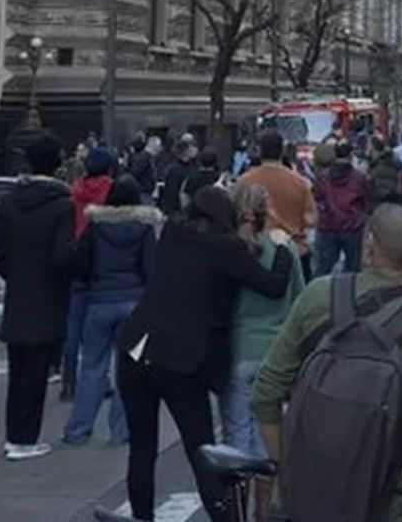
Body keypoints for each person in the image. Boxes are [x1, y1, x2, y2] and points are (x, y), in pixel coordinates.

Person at [252, 198, 402, 522]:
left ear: (369, 243)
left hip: (297, 503)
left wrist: (287, 468)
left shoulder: (320, 294)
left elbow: (265, 393)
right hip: (378, 506)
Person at [115, 186, 295, 522]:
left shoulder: (172, 231)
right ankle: (223, 517)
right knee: (202, 450)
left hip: (136, 346)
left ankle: (141, 515)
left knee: (141, 448)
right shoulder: (224, 249)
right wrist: (283, 249)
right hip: (183, 358)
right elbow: (273, 286)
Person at [0, 134, 75, 460]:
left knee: (19, 371)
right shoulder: (62, 205)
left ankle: (15, 435)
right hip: (49, 295)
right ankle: (27, 439)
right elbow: (63, 256)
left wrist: (17, 274)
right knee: (37, 373)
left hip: (19, 295)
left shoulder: (10, 201)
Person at [221, 181, 304, 522]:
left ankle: (236, 509)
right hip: (277, 352)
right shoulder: (283, 249)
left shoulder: (226, 250)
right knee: (270, 434)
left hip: (238, 348)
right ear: (266, 210)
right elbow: (300, 300)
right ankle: (264, 509)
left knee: (236, 436)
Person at [61, 175, 160, 447]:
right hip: (134, 304)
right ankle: (122, 430)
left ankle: (78, 429)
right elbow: (151, 270)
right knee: (129, 370)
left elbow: (81, 264)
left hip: (99, 302)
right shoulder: (144, 228)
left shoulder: (94, 228)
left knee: (92, 366)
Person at [62, 144, 116, 398]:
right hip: (101, 259)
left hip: (75, 256)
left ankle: (68, 379)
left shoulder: (76, 190)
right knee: (99, 330)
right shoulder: (110, 189)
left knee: (73, 323)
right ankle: (100, 379)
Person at [239, 131, 316, 275]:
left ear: (259, 150)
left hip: (256, 252)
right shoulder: (300, 183)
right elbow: (311, 220)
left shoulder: (245, 182)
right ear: (282, 151)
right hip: (294, 250)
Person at [313, 140, 367, 276]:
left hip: (328, 226)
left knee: (322, 269)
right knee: (353, 270)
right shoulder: (359, 177)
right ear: (350, 157)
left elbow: (316, 198)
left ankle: (321, 295)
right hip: (353, 226)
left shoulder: (322, 178)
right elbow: (366, 201)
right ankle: (349, 295)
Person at [158, 134, 197, 215]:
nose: (196, 149)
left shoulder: (192, 166)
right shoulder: (175, 170)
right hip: (177, 209)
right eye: (193, 147)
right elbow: (171, 191)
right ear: (186, 150)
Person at [365, 135, 402, 211]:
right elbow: (401, 180)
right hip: (392, 195)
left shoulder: (372, 165)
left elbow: (369, 181)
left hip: (377, 198)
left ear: (374, 150)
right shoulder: (395, 161)